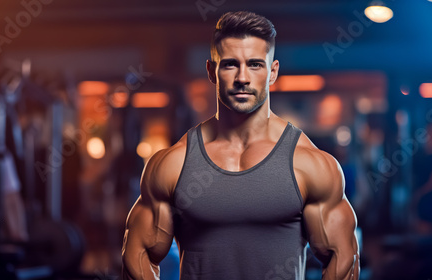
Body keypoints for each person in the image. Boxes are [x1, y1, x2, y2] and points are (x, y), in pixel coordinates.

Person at [122, 11, 359, 280]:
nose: (242, 78)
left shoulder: (308, 163)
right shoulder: (173, 164)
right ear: (212, 71)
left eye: (256, 64)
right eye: (230, 64)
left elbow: (344, 258)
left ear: (273, 72)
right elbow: (137, 254)